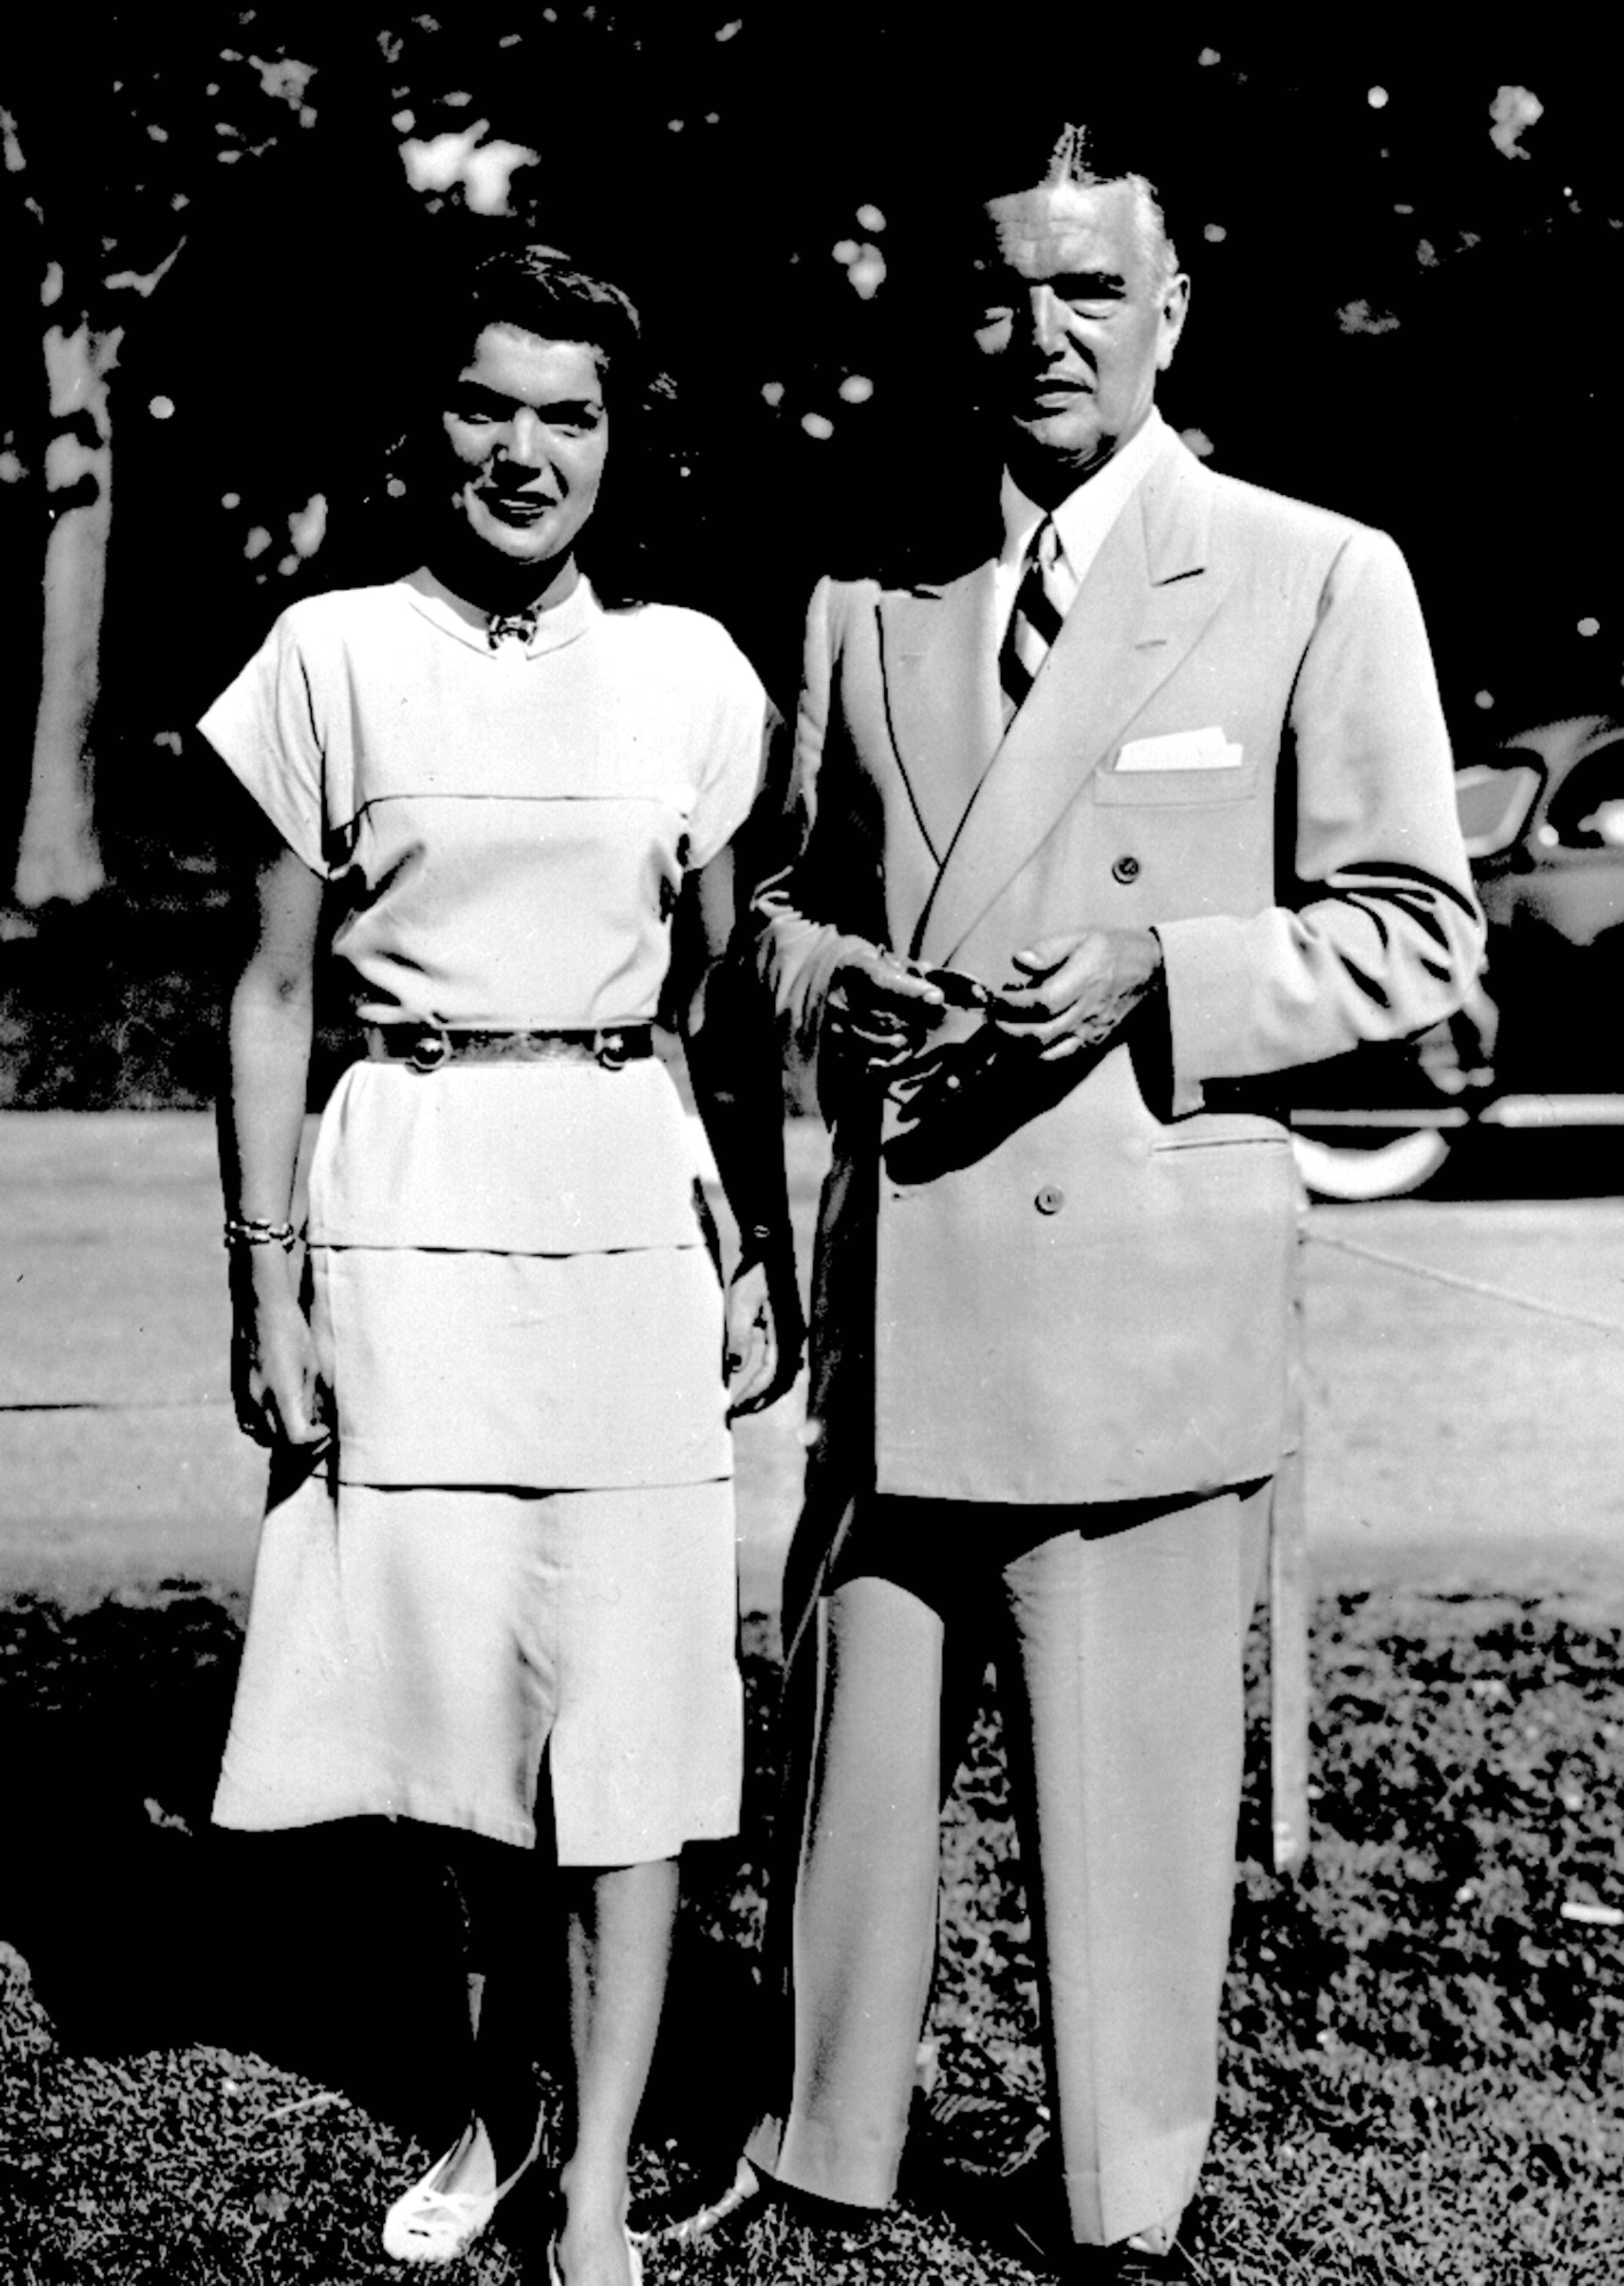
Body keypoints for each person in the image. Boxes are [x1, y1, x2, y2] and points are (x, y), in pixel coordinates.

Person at [740, 123, 1484, 2274]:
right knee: (852, 1771)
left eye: (1090, 290)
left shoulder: (1314, 571)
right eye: (1004, 292)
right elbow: (777, 901)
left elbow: (1421, 933)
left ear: (1171, 314)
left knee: (1130, 1793)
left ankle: (1125, 2199)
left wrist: (1165, 974)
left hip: (1142, 1291)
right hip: (908, 1295)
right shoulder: (867, 597)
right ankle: (822, 2150)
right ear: (957, 320)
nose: (1044, 330)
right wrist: (826, 974)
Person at [202, 238, 801, 2286]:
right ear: (423, 422)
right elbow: (274, 993)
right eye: (485, 403)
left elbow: (725, 1007)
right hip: (406, 1197)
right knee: (457, 1711)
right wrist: (264, 1279)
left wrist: (761, 1254)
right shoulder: (328, 655)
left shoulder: (700, 677)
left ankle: (602, 2168)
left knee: (635, 1702)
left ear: (620, 442)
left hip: (628, 1207)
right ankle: (489, 2097)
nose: (522, 449)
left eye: (570, 413)